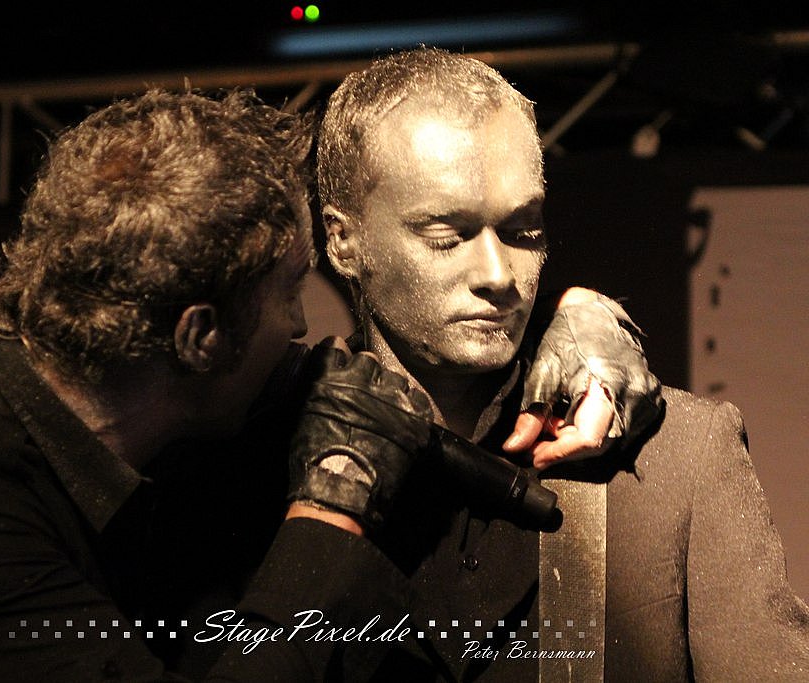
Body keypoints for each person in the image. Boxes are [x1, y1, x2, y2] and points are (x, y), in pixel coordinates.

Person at [0, 88, 657, 682]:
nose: (304, 324)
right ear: (200, 337)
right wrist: (333, 503)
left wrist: (584, 319)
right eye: (289, 291)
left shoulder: (154, 410)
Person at [305, 46, 809, 680]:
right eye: (446, 236)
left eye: (524, 230)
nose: (498, 274)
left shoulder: (682, 454)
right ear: (343, 240)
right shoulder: (264, 451)